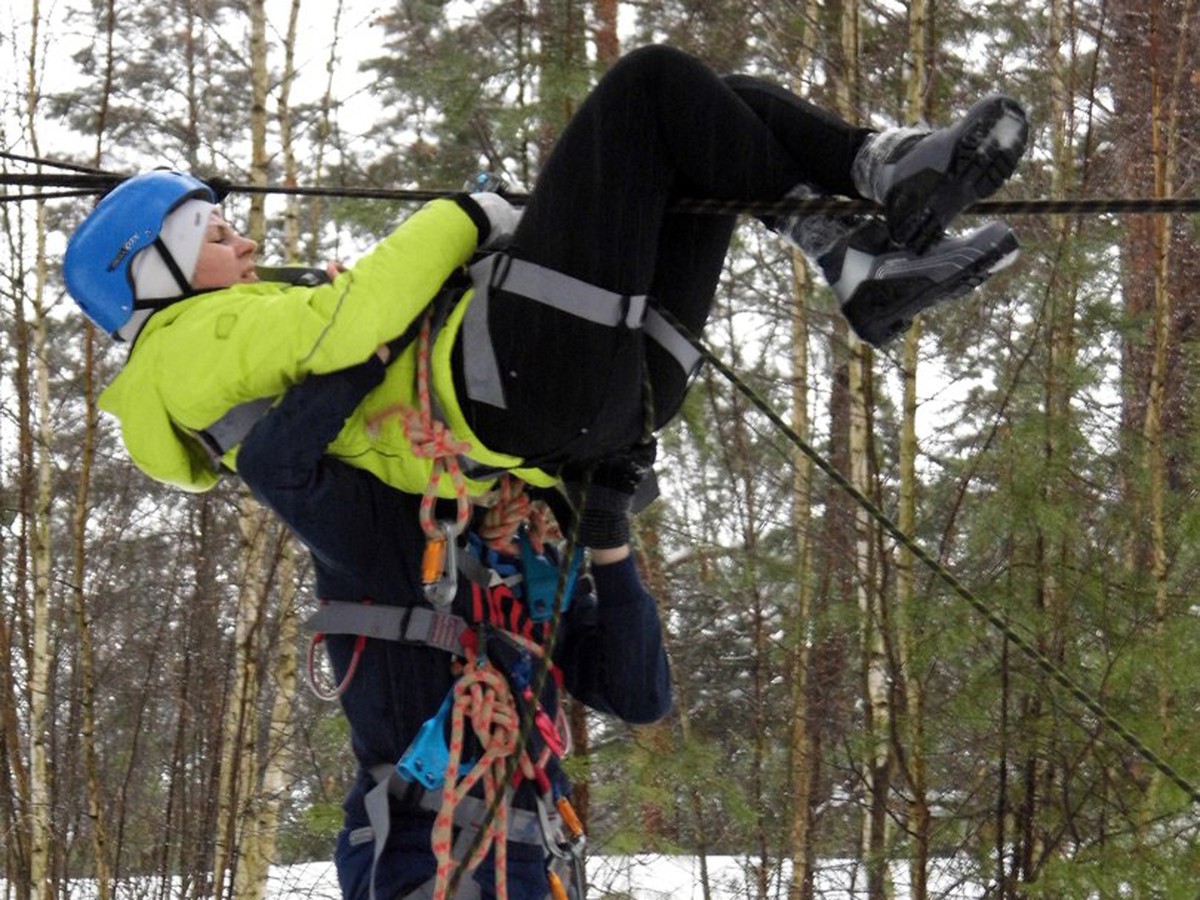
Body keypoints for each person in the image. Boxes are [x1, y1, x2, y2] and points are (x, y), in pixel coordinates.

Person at [64, 45, 1028, 548]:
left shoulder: (212, 350)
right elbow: (348, 326)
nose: (246, 240)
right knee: (650, 86)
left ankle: (869, 222)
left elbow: (345, 348)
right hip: (514, 374)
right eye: (216, 235)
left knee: (709, 110)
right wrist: (468, 216)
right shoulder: (186, 345)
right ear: (151, 272)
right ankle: (867, 202)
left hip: (589, 401)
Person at [235, 349, 672, 900]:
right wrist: (365, 357)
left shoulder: (530, 568)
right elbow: (272, 464)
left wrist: (608, 543)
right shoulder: (381, 532)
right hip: (421, 855)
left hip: (531, 859)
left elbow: (640, 695)